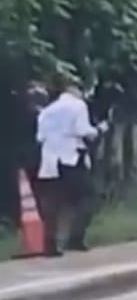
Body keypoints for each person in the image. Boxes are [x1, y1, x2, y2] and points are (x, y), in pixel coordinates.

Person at [37, 74, 108, 256]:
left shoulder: (47, 111)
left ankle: (50, 245)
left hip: (50, 162)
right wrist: (99, 129)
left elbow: (40, 137)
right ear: (72, 89)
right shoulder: (78, 106)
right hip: (71, 159)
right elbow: (82, 131)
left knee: (53, 204)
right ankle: (75, 238)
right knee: (88, 197)